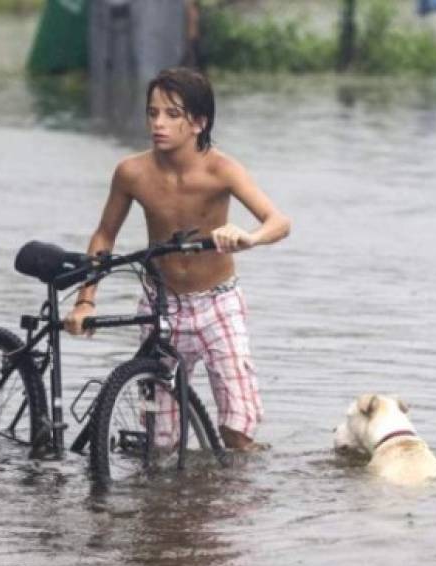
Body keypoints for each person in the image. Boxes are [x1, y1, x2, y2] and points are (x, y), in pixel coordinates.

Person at [64, 67, 291, 451]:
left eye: (172, 114)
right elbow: (105, 235)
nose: (158, 123)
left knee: (236, 433)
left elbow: (279, 222)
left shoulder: (222, 170)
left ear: (198, 122)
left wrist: (247, 238)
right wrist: (86, 300)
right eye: (153, 113)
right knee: (162, 443)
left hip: (218, 304)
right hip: (160, 304)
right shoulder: (132, 172)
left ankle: (238, 497)